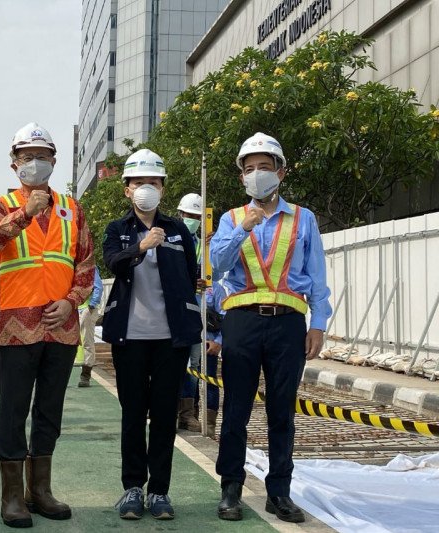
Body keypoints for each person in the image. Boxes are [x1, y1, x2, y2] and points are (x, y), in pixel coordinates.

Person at [211, 132, 331, 524]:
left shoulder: (304, 217)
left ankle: (279, 491)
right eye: (250, 169)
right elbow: (219, 264)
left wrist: (319, 324)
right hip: (242, 322)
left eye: (265, 167)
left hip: (288, 325)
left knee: (283, 412)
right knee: (236, 409)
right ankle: (231, 487)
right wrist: (245, 226)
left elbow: (316, 276)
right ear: (242, 177)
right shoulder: (231, 218)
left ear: (281, 171)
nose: (257, 174)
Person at [0, 123, 94, 528]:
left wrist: (71, 301)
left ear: (54, 161)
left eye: (41, 155)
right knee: (12, 410)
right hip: (16, 326)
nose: (34, 162)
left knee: (49, 410)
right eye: (26, 156)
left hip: (60, 328)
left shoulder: (72, 208)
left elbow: (86, 264)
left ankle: (39, 490)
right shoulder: (0, 204)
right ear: (14, 163)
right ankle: (11, 496)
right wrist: (24, 214)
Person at [101, 149, 201, 521]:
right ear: (127, 190)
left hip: (170, 340)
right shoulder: (118, 229)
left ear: (163, 188)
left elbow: (190, 275)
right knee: (133, 414)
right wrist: (140, 247)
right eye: (140, 183)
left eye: (154, 182)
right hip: (129, 337)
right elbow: (111, 260)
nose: (147, 188)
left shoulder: (176, 230)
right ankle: (131, 488)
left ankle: (159, 491)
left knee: (163, 415)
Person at [175, 193, 221, 435]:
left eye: (197, 217)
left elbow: (217, 276)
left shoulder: (203, 244)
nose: (192, 220)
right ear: (180, 214)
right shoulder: (171, 238)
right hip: (175, 312)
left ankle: (189, 414)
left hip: (199, 313)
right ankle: (172, 410)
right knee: (173, 364)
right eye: (189, 215)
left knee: (195, 365)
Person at [77, 265, 102, 387]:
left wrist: (92, 305)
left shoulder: (90, 268)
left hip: (87, 309)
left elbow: (98, 287)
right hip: (74, 309)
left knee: (87, 341)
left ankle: (85, 376)